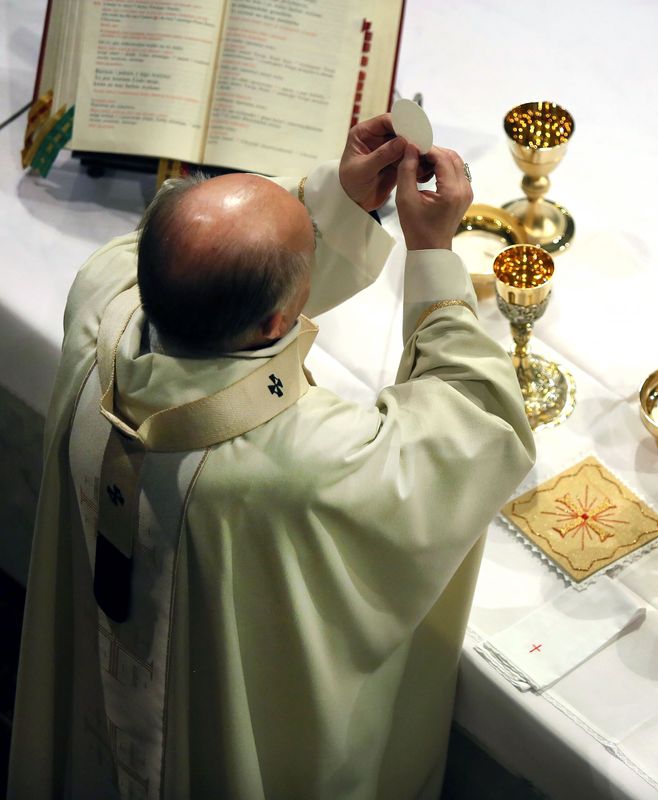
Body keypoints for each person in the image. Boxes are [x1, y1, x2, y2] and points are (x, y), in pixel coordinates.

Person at [8, 113, 536, 799]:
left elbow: (178, 254)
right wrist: (433, 251)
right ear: (275, 325)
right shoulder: (302, 461)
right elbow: (478, 423)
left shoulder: (97, 301)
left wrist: (339, 201)